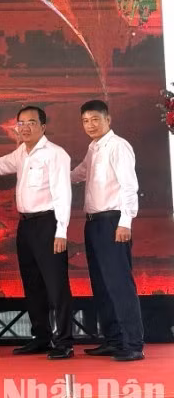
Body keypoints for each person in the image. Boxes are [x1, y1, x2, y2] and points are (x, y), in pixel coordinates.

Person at [0, 106, 74, 359]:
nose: (25, 127)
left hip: (49, 224)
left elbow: (63, 194)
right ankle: (41, 336)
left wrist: (61, 231)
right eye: (20, 123)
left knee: (56, 284)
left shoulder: (56, 154)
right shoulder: (21, 154)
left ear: (43, 126)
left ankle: (65, 341)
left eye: (31, 123)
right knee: (32, 282)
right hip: (26, 225)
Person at [71, 100, 144, 362]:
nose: (90, 125)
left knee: (119, 284)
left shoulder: (118, 147)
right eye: (85, 121)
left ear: (108, 120)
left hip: (113, 222)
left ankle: (133, 343)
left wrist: (126, 222)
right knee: (101, 285)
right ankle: (113, 340)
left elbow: (129, 187)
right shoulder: (94, 148)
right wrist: (54, 177)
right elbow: (80, 173)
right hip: (93, 223)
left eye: (95, 119)